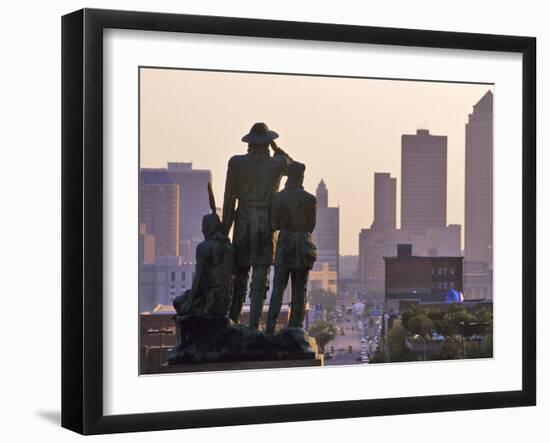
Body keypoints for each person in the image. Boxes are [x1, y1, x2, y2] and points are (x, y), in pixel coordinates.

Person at [222, 122, 292, 329]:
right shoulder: (277, 163)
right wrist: (276, 147)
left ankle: (232, 321)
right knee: (260, 275)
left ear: (250, 142)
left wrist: (225, 229)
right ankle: (254, 325)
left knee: (239, 272)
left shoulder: (236, 163)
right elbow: (295, 167)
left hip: (243, 219)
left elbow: (228, 199)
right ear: (267, 142)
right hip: (265, 221)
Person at [266, 161, 317, 334]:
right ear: (301, 176)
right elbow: (311, 225)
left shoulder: (278, 198)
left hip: (285, 244)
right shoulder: (310, 199)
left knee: (278, 288)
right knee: (299, 289)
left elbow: (273, 223)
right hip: (303, 245)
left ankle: (270, 328)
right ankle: (295, 328)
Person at [173, 183, 234, 320]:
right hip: (226, 303)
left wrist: (190, 301)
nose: (202, 230)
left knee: (178, 301)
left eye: (203, 226)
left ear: (208, 227)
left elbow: (198, 277)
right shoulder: (230, 247)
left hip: (210, 302)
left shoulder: (204, 247)